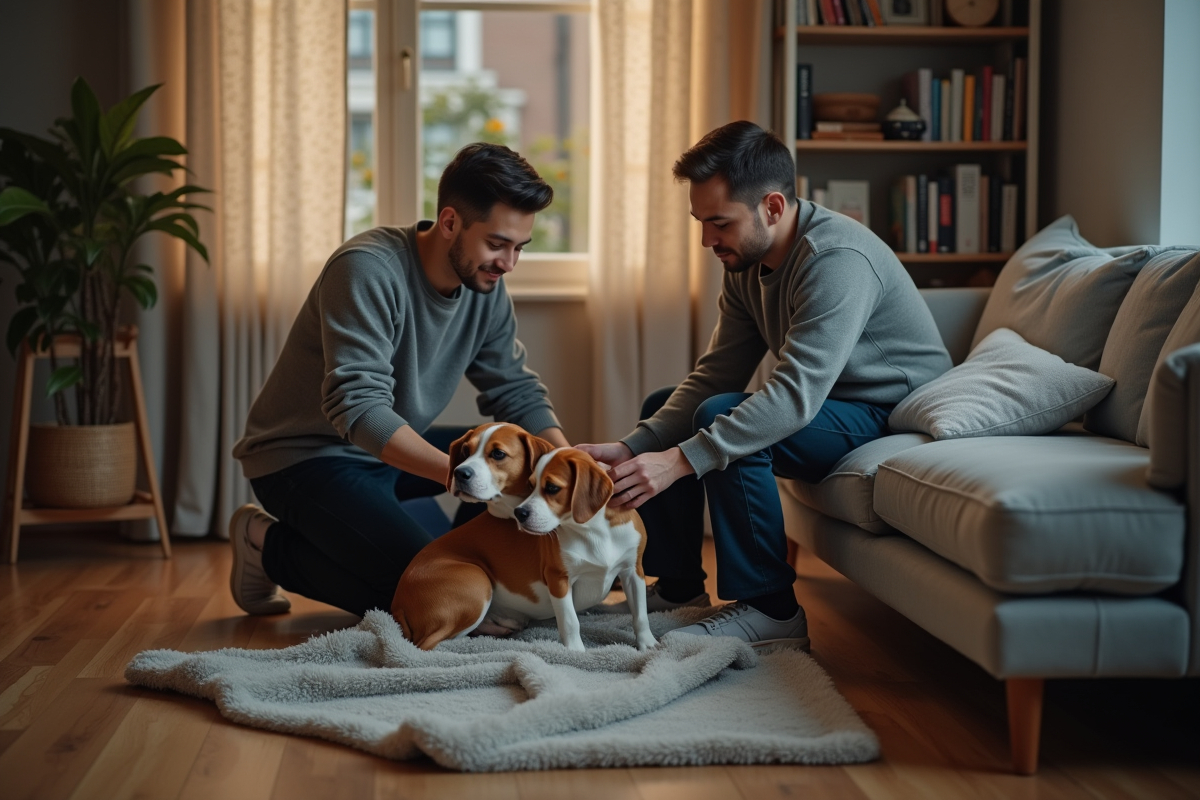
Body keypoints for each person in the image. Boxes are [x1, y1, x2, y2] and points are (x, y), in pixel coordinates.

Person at [578, 121, 951, 648]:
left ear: (772, 207)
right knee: (667, 406)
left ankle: (773, 611)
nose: (707, 240)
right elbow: (717, 372)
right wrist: (634, 447)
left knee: (719, 419)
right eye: (700, 223)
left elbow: (795, 396)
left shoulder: (835, 259)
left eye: (719, 223)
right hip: (828, 404)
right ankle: (680, 587)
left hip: (889, 412)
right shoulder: (745, 261)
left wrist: (680, 460)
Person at [229, 143, 570, 619]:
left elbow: (514, 388)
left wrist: (565, 462)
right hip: (305, 458)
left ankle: (476, 561)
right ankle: (264, 543)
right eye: (497, 244)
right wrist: (463, 476)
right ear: (449, 222)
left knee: (518, 462)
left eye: (519, 248)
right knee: (435, 596)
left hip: (386, 451)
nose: (509, 263)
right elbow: (360, 408)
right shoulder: (366, 269)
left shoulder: (486, 285)